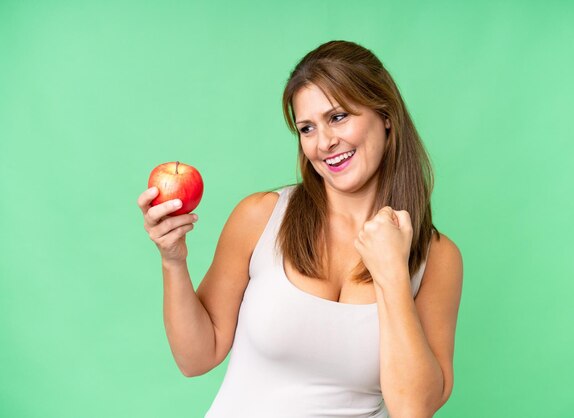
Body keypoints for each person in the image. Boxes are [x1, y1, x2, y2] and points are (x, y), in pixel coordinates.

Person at [137, 40, 463, 418]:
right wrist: (173, 261)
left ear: (385, 114)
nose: (324, 143)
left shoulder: (437, 257)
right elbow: (196, 358)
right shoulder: (261, 217)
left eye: (338, 117)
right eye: (307, 128)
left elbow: (413, 409)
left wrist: (392, 272)